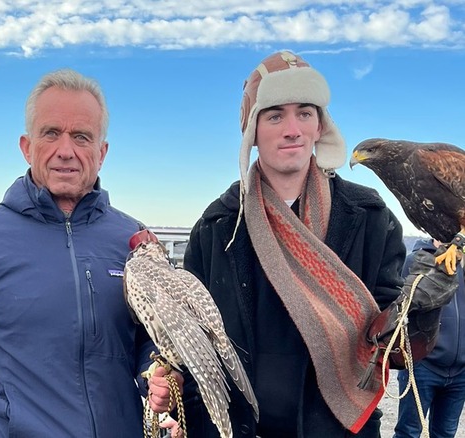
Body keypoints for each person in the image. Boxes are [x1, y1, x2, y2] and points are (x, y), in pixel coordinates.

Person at [168, 50, 457, 438]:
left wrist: (421, 309)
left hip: (338, 429)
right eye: (274, 115)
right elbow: (195, 347)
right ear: (251, 130)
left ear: (321, 125)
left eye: (305, 113)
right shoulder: (218, 226)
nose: (293, 129)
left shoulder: (369, 219)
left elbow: (394, 352)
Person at [0, 68, 157, 437]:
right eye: (51, 133)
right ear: (27, 147)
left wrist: (156, 374)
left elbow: (149, 343)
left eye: (81, 136)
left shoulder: (134, 242)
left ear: (102, 152)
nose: (66, 151)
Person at [394, 239, 465, 438]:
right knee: (408, 432)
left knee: (445, 434)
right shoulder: (415, 260)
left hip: (460, 371)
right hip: (422, 365)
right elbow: (395, 307)